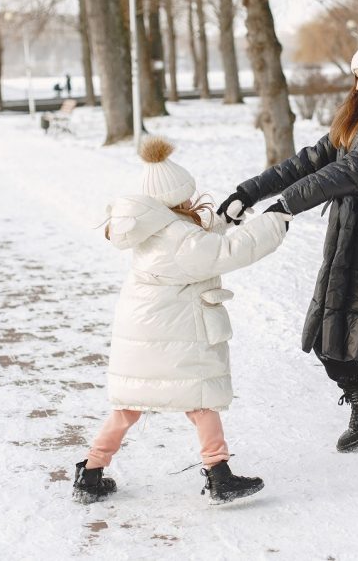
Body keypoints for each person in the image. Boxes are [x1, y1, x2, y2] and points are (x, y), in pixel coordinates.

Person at [217, 14, 358, 482]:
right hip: (348, 235)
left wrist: (286, 207)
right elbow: (310, 162)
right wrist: (248, 193)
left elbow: (351, 172)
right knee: (330, 342)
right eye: (356, 74)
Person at [72, 136, 291, 505]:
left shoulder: (154, 229)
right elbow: (223, 253)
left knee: (128, 407)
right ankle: (219, 476)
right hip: (174, 334)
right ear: (175, 200)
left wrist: (223, 220)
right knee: (201, 399)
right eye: (186, 197)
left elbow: (197, 244)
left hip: (146, 334)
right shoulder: (178, 238)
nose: (192, 202)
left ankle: (90, 472)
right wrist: (273, 222)